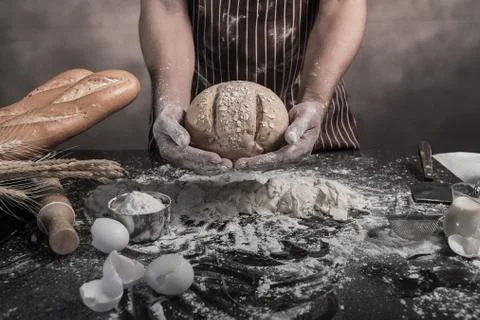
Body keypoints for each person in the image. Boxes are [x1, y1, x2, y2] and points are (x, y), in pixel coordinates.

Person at [139, 0, 366, 174]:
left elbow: (340, 4)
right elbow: (166, 6)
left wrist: (315, 99)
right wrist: (172, 101)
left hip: (311, 124)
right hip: (191, 135)